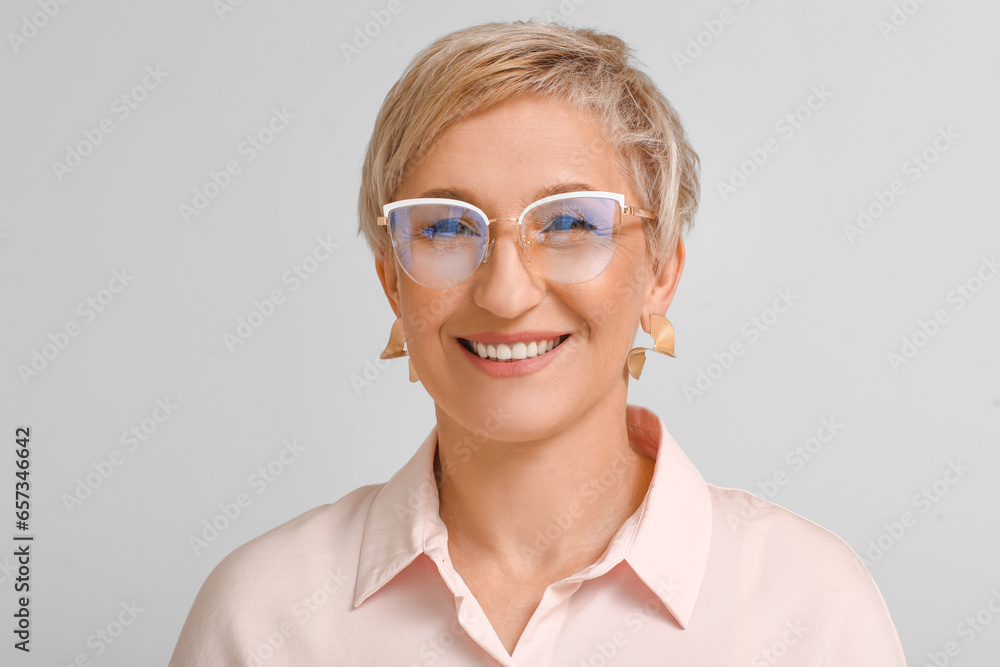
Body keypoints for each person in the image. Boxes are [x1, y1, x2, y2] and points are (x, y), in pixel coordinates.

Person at [169, 20, 907, 666]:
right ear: (393, 281)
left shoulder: (808, 607)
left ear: (661, 273)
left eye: (571, 224)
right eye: (448, 227)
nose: (507, 292)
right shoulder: (262, 612)